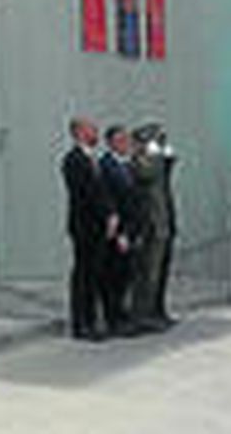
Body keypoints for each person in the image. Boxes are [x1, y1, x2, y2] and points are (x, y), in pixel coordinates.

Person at [60, 117, 114, 341]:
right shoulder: (73, 160)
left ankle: (92, 320)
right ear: (79, 132)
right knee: (84, 275)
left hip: (98, 225)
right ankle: (81, 323)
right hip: (85, 225)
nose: (96, 132)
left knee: (94, 275)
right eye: (91, 129)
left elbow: (102, 191)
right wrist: (105, 213)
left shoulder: (92, 159)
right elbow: (88, 194)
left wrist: (111, 215)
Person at [128, 122, 177, 329]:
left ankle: (157, 310)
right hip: (151, 225)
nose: (160, 142)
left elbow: (165, 174)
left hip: (164, 222)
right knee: (148, 273)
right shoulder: (138, 161)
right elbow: (145, 175)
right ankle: (142, 314)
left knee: (161, 274)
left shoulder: (156, 162)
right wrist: (155, 156)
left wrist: (166, 157)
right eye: (156, 138)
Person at [97, 124, 143, 337]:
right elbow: (109, 201)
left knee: (126, 276)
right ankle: (112, 319)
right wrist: (119, 233)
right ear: (112, 142)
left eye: (127, 140)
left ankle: (123, 316)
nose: (127, 144)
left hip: (131, 228)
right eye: (122, 140)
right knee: (113, 277)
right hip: (117, 231)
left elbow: (135, 200)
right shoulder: (106, 165)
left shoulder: (128, 166)